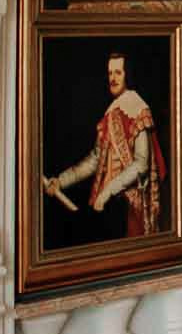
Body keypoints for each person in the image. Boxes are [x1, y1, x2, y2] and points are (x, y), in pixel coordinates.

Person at [42, 52, 166, 240]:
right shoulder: (112, 113)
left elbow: (141, 164)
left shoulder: (139, 110)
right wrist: (61, 181)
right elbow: (95, 160)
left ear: (128, 75)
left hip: (132, 207)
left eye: (118, 72)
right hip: (111, 208)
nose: (113, 79)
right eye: (110, 73)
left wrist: (107, 191)